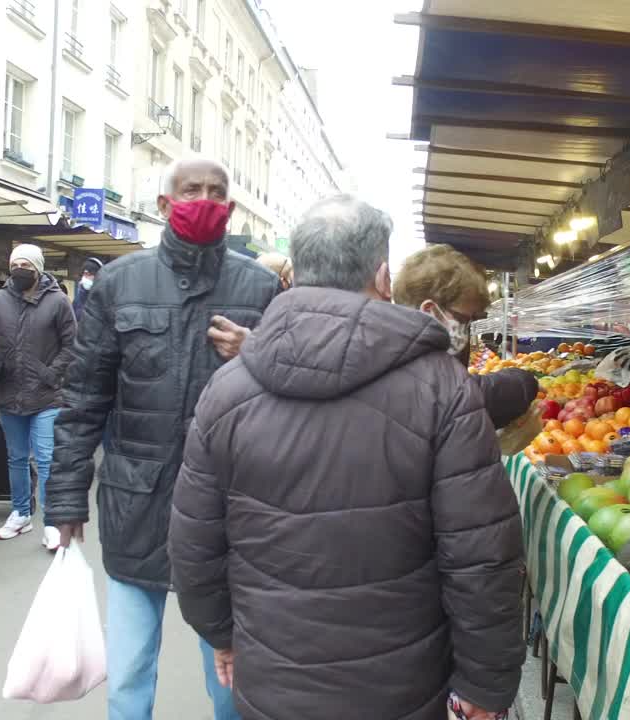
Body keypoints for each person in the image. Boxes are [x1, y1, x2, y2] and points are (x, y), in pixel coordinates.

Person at [168, 195, 524, 720]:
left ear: (298, 270)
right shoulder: (442, 389)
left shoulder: (227, 390)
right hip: (403, 690)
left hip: (272, 684)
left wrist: (221, 633)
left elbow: (194, 542)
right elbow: (481, 555)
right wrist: (485, 681)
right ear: (383, 277)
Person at [46, 156, 280, 720]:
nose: (205, 200)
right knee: (128, 673)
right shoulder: (120, 283)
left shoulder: (263, 287)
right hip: (136, 501)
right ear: (163, 204)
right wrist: (65, 498)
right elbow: (83, 399)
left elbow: (294, 398)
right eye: (191, 189)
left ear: (230, 206)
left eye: (216, 191)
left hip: (228, 511)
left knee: (230, 673)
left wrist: (259, 351)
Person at [0, 244, 77, 549]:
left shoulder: (58, 301)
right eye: (15, 264)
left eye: (26, 264)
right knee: (15, 458)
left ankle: (51, 522)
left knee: (47, 458)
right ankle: (20, 513)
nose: (20, 269)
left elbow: (72, 344)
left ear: (38, 268)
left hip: (46, 395)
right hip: (9, 392)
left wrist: (52, 374)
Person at [394, 243, 538, 429]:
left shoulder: (402, 350)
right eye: (464, 319)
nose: (467, 330)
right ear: (431, 312)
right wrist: (524, 382)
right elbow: (454, 396)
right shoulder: (403, 366)